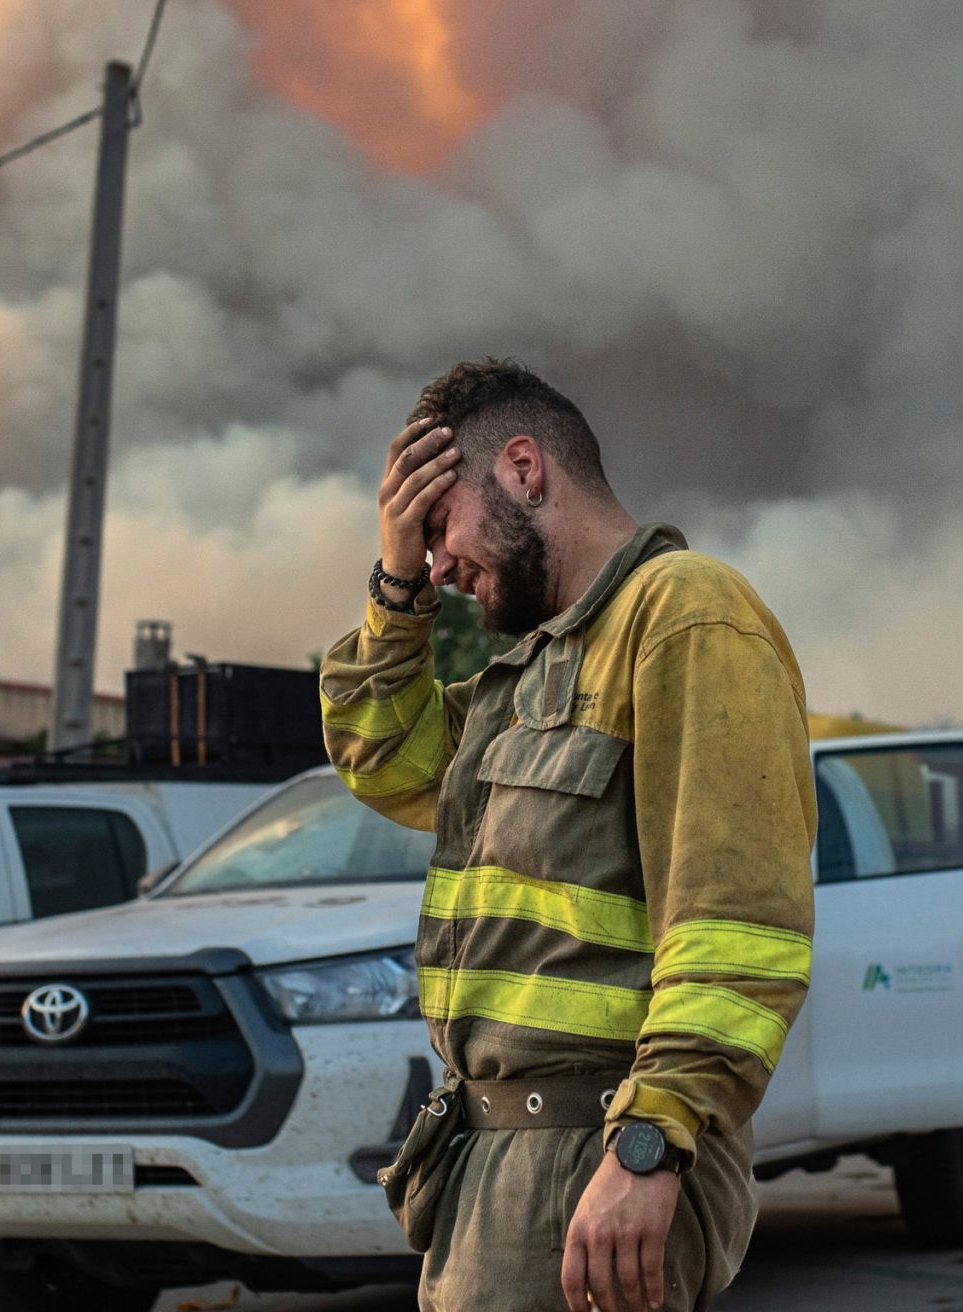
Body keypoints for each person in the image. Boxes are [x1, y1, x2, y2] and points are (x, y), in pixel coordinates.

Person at [319, 360, 814, 1312]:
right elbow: (381, 758)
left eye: (438, 527)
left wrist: (651, 1144)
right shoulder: (532, 672)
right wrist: (393, 587)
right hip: (493, 1169)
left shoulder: (686, 614)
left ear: (523, 469)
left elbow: (737, 932)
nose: (438, 565)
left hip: (597, 1159)